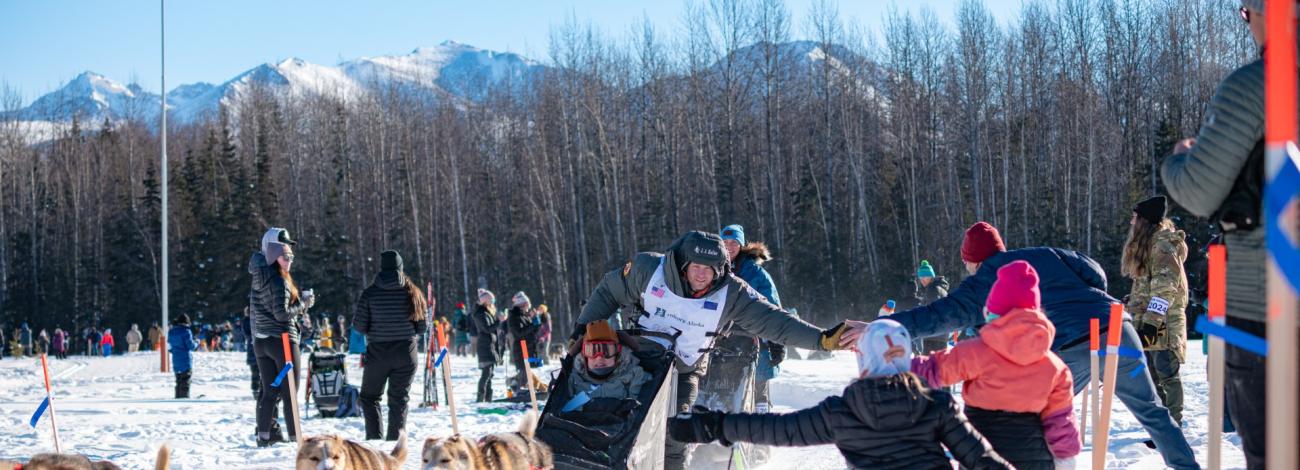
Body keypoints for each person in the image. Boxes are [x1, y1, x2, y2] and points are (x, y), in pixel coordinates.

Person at [884, 221, 1199, 469]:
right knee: (1153, 411)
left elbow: (939, 315)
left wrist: (885, 328)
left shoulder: (987, 277)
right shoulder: (1046, 254)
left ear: (973, 262)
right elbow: (1096, 274)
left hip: (1074, 344)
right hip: (1117, 327)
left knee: (1038, 414)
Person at [572, 230, 859, 470]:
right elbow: (609, 290)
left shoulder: (732, 293)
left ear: (720, 269)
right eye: (695, 266)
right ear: (683, 264)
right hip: (637, 359)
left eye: (708, 269)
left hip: (683, 371)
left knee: (676, 432)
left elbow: (775, 321)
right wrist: (582, 328)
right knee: (616, 415)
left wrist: (822, 339)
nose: (701, 274)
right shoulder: (649, 270)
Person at [1158, 2, 1298, 466]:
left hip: (1266, 306)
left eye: (1246, 12)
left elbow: (1198, 191)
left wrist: (1178, 159)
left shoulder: (1258, 84)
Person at [669, 319, 1012, 470]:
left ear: (865, 361)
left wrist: (714, 425)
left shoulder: (844, 411)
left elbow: (780, 430)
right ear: (908, 357)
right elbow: (981, 460)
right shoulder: (936, 405)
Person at [910, 261, 1079, 469]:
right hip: (1034, 460)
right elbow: (1060, 419)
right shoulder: (1055, 367)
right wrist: (1065, 459)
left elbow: (936, 368)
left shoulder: (977, 352)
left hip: (981, 454)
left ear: (992, 313)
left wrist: (895, 368)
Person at [1122, 196, 1189, 427]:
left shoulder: (1162, 245)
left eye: (1135, 217)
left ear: (1144, 220)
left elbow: (1165, 286)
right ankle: (1163, 426)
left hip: (1163, 322)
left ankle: (1173, 425)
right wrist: (1132, 304)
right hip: (1150, 319)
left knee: (1166, 373)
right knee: (1151, 374)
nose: (1132, 222)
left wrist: (1152, 321)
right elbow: (1146, 286)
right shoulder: (1150, 244)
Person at [249, 227, 315, 447]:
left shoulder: (258, 276)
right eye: (286, 256)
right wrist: (304, 304)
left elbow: (259, 310)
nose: (290, 261)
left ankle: (263, 437)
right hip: (283, 342)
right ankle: (298, 441)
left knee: (269, 391)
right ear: (273, 254)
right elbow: (282, 313)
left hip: (262, 342)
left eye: (291, 256)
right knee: (289, 394)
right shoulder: (279, 281)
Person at [352, 250, 428, 441]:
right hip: (406, 352)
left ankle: (375, 442)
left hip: (378, 352)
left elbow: (359, 326)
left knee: (370, 398)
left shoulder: (370, 293)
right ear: (401, 268)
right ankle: (395, 444)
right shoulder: (414, 292)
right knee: (399, 399)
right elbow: (422, 327)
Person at [716, 224, 788, 413]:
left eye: (734, 243)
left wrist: (777, 341)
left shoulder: (755, 273)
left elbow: (772, 306)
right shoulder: (711, 269)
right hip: (720, 340)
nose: (729, 247)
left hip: (754, 339)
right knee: (722, 387)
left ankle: (762, 431)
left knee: (758, 384)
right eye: (725, 242)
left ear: (742, 245)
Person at [560, 320, 650, 411]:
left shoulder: (635, 376)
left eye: (607, 350)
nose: (599, 358)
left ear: (618, 354)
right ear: (584, 356)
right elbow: (562, 411)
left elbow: (642, 411)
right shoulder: (572, 380)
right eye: (592, 351)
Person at [912, 260, 954, 354]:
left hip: (933, 335)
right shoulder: (939, 289)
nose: (922, 279)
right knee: (938, 365)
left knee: (930, 366)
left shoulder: (933, 290)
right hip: (940, 334)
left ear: (931, 276)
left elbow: (932, 311)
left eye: (924, 276)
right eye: (920, 277)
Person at [471, 289, 500, 402]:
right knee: (486, 374)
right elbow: (486, 329)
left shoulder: (486, 312)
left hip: (489, 346)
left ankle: (488, 399)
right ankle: (480, 398)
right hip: (485, 347)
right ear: (485, 301)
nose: (492, 304)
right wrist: (498, 322)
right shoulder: (480, 313)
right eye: (490, 301)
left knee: (490, 375)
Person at [507, 291, 540, 392]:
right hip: (521, 347)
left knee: (527, 371)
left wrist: (536, 324)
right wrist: (532, 325)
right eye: (527, 305)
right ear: (522, 304)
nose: (528, 307)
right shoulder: (514, 316)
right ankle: (517, 387)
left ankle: (519, 387)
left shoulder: (524, 315)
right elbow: (519, 333)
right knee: (523, 371)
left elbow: (531, 331)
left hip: (529, 347)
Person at [169, 314, 198, 399]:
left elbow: (169, 347)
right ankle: (183, 401)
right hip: (185, 360)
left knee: (178, 382)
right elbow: (191, 346)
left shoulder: (171, 332)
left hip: (176, 360)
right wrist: (197, 342)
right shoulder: (186, 331)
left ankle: (177, 399)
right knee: (185, 382)